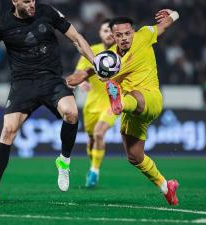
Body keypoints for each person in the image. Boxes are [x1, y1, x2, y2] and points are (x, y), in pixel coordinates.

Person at [0, 0, 95, 206]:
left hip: (51, 79)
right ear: (15, 2)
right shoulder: (1, 25)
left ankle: (63, 161)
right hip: (23, 84)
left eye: (33, 0)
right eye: (27, 1)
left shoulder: (47, 12)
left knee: (72, 113)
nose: (32, 4)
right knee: (7, 131)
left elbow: (76, 38)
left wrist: (95, 61)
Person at [66, 10, 180, 205]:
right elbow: (92, 69)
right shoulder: (109, 57)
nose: (124, 38)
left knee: (134, 97)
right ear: (113, 36)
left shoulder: (144, 35)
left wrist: (174, 13)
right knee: (134, 156)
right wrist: (77, 78)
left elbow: (165, 24)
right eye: (119, 35)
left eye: (127, 33)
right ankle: (165, 186)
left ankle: (118, 101)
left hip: (149, 98)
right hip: (130, 110)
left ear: (133, 32)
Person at [68, 19, 118, 188]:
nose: (109, 33)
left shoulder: (122, 52)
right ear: (100, 33)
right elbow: (79, 72)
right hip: (92, 104)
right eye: (105, 30)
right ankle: (93, 166)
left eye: (111, 30)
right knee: (91, 139)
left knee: (99, 134)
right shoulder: (92, 51)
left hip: (112, 103)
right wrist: (81, 81)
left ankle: (95, 171)